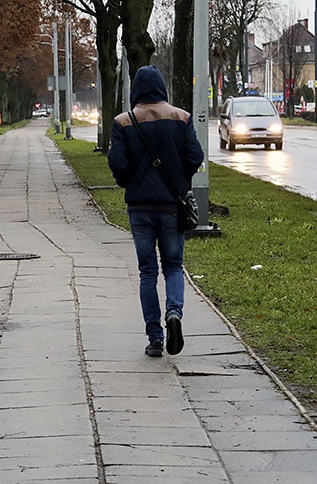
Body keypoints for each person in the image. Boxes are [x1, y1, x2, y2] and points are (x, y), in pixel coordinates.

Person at [107, 65, 204, 357]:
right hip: (172, 205)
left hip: (140, 208)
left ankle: (155, 338)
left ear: (136, 89)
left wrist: (129, 182)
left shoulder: (123, 121)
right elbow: (195, 156)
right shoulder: (181, 117)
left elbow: (118, 164)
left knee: (147, 272)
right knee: (173, 266)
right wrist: (179, 178)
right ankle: (174, 312)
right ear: (162, 87)